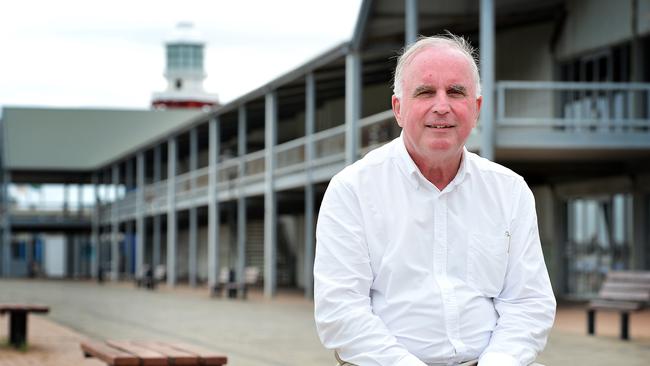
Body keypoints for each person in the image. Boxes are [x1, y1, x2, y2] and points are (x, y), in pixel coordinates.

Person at [313, 34, 556, 366]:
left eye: (456, 92)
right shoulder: (352, 190)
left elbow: (528, 303)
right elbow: (340, 311)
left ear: (476, 107)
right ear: (398, 108)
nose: (442, 106)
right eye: (425, 92)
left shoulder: (510, 191)